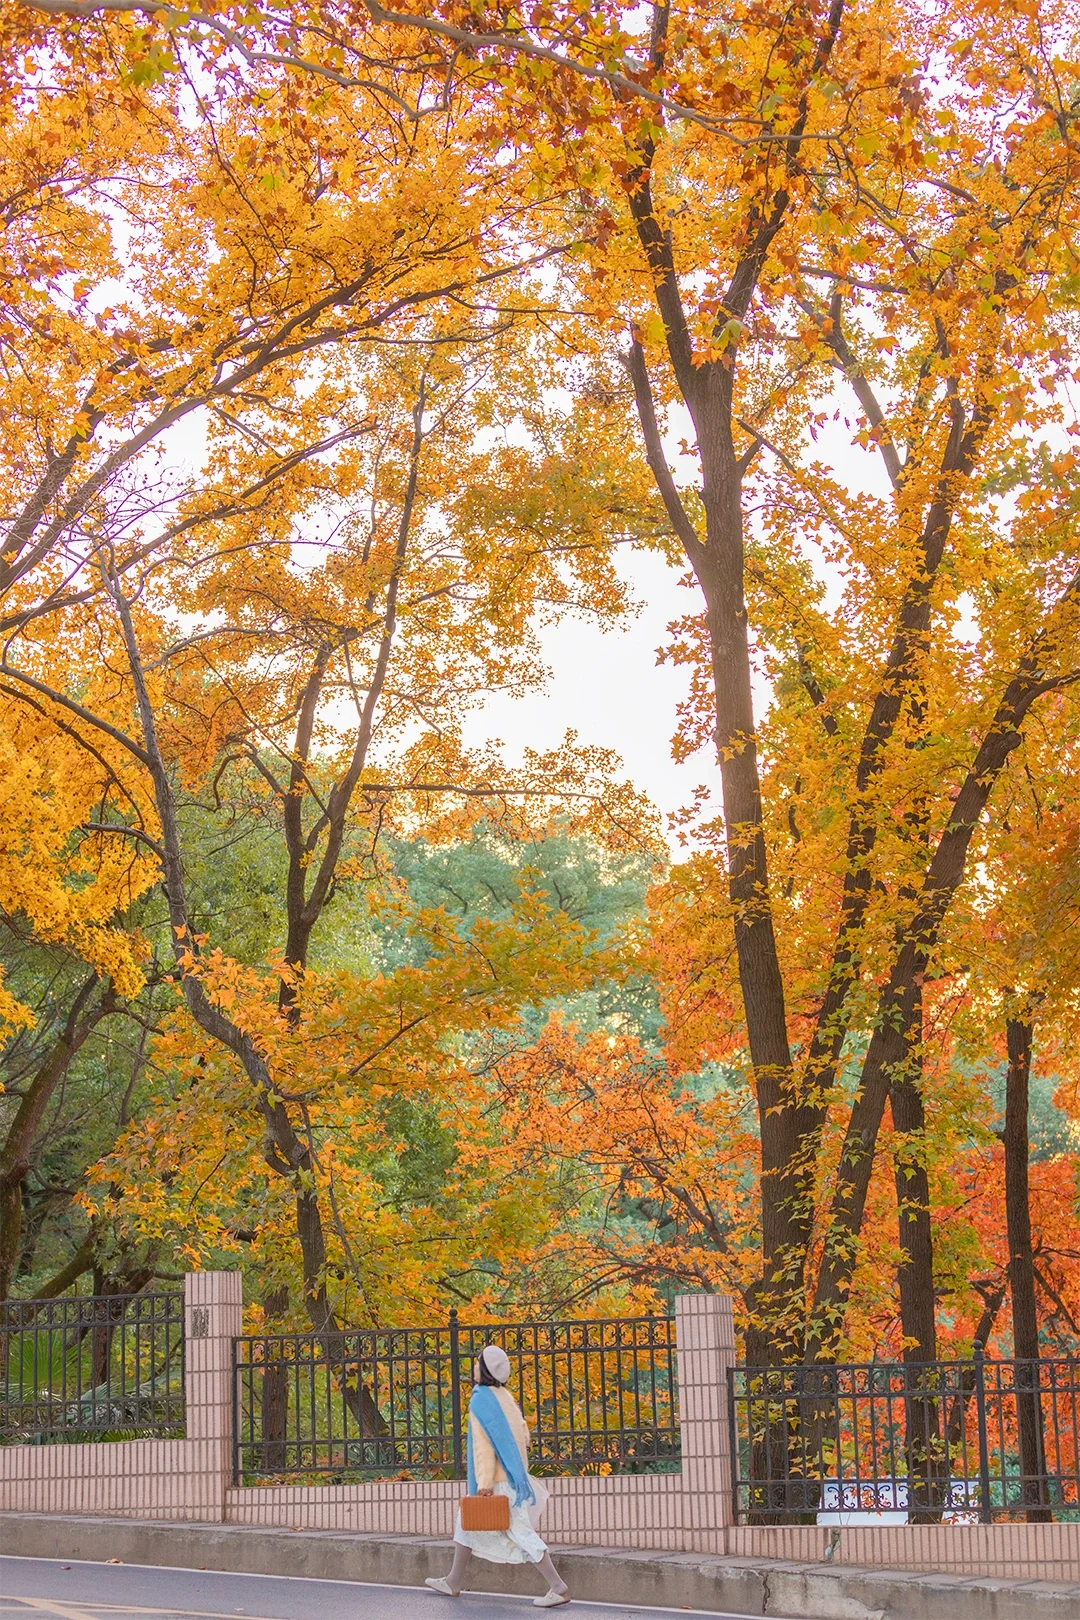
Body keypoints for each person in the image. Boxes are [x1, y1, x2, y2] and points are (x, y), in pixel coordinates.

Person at [425, 1344, 570, 1607]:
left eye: (477, 1361)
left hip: (499, 1482)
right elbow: (522, 1436)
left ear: (484, 1369)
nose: (473, 1366)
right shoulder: (504, 1397)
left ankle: (557, 1586)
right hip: (512, 1477)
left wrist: (484, 1484)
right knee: (465, 1525)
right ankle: (453, 1581)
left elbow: (483, 1446)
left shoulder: (482, 1398)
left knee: (522, 1533)